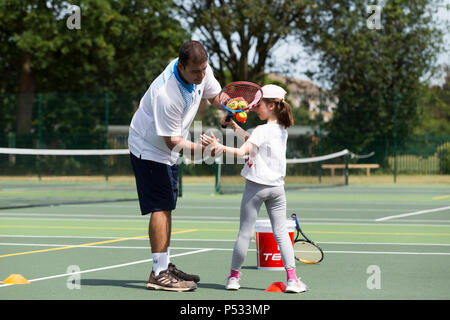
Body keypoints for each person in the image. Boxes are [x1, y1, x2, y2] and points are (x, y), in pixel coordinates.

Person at [128, 40, 222, 292]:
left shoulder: (202, 70)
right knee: (160, 206)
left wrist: (230, 108)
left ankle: (164, 265)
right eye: (195, 71)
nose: (201, 75)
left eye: (204, 69)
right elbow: (172, 142)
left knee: (168, 206)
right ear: (181, 66)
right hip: (148, 149)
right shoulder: (166, 94)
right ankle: (158, 274)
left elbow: (215, 96)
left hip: (167, 149)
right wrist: (204, 151)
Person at [201, 84, 308, 293]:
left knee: (245, 233)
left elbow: (243, 152)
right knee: (281, 233)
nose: (253, 107)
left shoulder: (262, 130)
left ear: (271, 106)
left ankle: (233, 278)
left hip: (256, 188)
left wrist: (219, 147)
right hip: (277, 189)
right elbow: (252, 142)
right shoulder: (281, 130)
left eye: (258, 104)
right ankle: (293, 280)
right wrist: (233, 126)